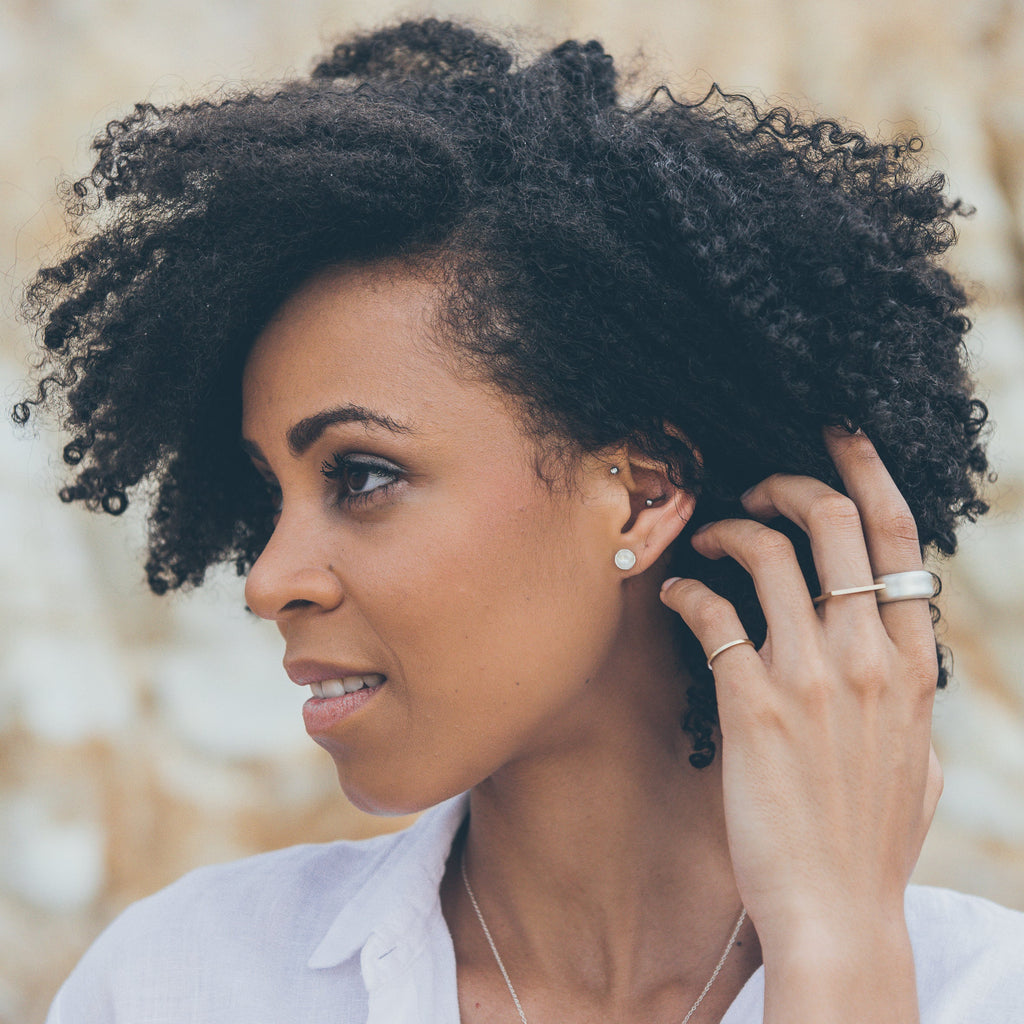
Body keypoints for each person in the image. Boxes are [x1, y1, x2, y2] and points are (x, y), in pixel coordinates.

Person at [15, 17, 1024, 1024]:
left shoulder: (983, 991)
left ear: (640, 492)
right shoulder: (179, 984)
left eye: (362, 474)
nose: (269, 579)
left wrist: (839, 957)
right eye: (270, 491)